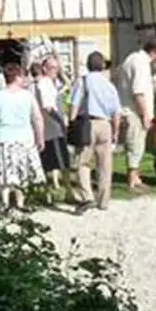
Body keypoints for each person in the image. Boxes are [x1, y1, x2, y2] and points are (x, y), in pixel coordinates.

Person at [0, 62, 45, 210]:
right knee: (22, 170)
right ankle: (20, 202)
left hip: (4, 136)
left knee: (4, 170)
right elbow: (37, 118)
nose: (24, 79)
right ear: (17, 77)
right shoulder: (27, 96)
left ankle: (5, 202)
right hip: (24, 137)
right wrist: (40, 137)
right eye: (22, 76)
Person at [69, 51, 122, 213]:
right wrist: (115, 131)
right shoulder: (109, 84)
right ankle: (104, 200)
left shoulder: (83, 81)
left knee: (82, 162)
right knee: (105, 164)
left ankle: (87, 196)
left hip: (87, 123)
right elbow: (116, 111)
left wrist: (71, 123)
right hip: (105, 123)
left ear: (87, 65)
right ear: (102, 66)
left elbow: (74, 104)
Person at [117, 38, 156, 192]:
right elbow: (138, 92)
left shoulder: (131, 58)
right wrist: (144, 115)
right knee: (135, 145)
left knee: (137, 145)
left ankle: (135, 176)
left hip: (127, 108)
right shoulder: (141, 64)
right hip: (134, 111)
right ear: (155, 52)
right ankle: (132, 179)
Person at [32, 55, 73, 205]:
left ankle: (50, 193)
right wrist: (61, 122)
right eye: (52, 68)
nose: (55, 71)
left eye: (57, 68)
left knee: (51, 162)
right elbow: (47, 106)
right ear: (44, 68)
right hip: (52, 127)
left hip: (47, 127)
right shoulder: (44, 83)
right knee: (59, 163)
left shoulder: (47, 83)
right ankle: (66, 192)